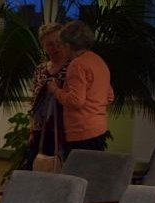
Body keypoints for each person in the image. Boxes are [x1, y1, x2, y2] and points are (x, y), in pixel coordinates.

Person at [45, 20, 113, 155]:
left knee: (77, 168)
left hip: (81, 131)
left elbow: (76, 101)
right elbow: (110, 96)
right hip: (99, 128)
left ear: (68, 45)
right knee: (92, 167)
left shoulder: (77, 65)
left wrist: (55, 90)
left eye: (61, 45)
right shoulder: (98, 60)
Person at [25, 23, 70, 170]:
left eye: (59, 42)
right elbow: (35, 100)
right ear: (43, 47)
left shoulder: (73, 67)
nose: (55, 47)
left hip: (64, 130)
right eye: (50, 44)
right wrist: (32, 130)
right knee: (38, 167)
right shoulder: (40, 69)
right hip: (40, 129)